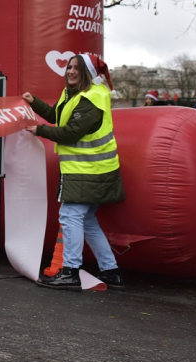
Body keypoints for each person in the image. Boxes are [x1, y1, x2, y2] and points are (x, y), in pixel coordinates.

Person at [22, 53, 125, 291]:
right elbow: (58, 116)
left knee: (70, 217)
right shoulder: (76, 95)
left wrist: (40, 131)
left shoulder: (91, 98)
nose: (70, 71)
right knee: (87, 220)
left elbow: (70, 132)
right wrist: (34, 102)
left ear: (87, 72)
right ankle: (111, 271)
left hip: (89, 170)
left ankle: (70, 271)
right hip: (89, 169)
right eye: (69, 66)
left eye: (76, 68)